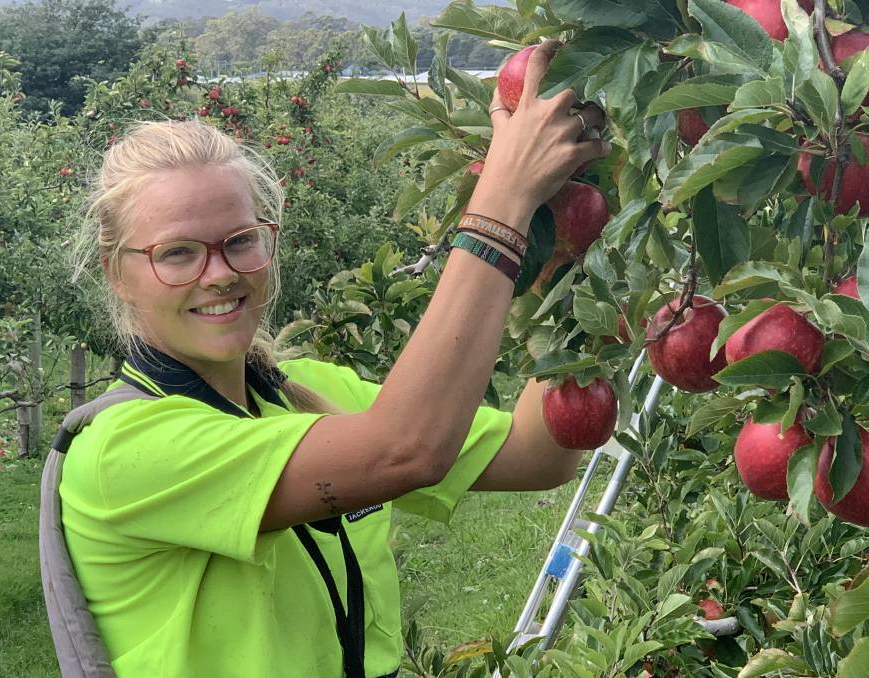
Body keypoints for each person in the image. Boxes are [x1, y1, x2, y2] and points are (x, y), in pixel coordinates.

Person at [62, 41, 610, 678]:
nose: (219, 275)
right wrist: (504, 201)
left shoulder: (305, 392)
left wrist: (571, 266)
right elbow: (407, 448)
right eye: (177, 254)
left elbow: (538, 454)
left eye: (241, 241)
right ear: (117, 274)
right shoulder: (124, 452)